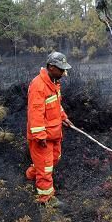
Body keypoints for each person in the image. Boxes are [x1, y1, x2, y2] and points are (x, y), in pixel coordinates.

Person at [26, 52, 74, 207]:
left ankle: (32, 173)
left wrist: (63, 117)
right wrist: (40, 136)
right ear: (51, 67)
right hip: (43, 138)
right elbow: (35, 113)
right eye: (61, 69)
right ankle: (46, 200)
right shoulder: (38, 85)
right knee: (46, 168)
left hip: (54, 134)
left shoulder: (54, 82)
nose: (64, 73)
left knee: (52, 160)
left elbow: (55, 105)